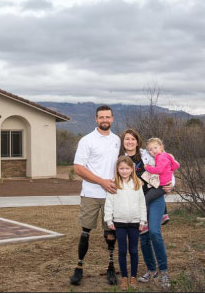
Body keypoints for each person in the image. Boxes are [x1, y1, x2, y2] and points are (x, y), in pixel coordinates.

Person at [69, 105, 121, 286]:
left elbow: (132, 160)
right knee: (85, 231)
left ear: (112, 119)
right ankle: (79, 267)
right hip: (91, 193)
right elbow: (78, 168)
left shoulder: (117, 140)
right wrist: (102, 181)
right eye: (101, 117)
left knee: (110, 231)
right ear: (96, 119)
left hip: (112, 195)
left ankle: (111, 266)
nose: (104, 120)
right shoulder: (87, 140)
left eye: (108, 117)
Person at [118, 128, 174, 289]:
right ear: (123, 141)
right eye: (127, 139)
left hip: (154, 196)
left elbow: (167, 165)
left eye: (133, 139)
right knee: (144, 237)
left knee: (155, 232)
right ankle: (151, 270)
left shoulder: (147, 154)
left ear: (137, 141)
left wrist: (171, 184)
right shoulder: (120, 159)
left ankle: (163, 271)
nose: (130, 141)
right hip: (137, 201)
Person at [104, 156, 147, 290]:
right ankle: (124, 277)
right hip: (119, 223)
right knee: (122, 250)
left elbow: (142, 203)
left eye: (127, 168)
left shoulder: (137, 183)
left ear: (132, 169)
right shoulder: (114, 184)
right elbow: (109, 203)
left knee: (133, 250)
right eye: (121, 168)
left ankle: (133, 277)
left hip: (134, 222)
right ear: (117, 169)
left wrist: (142, 220)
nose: (124, 171)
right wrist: (109, 219)